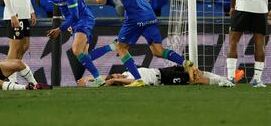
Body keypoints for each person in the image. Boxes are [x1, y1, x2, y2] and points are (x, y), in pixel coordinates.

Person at [88, 0, 193, 87]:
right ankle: (184, 62)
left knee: (121, 48)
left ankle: (138, 79)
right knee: (158, 51)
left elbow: (100, 0)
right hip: (149, 15)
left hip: (135, 17)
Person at [42, 0, 104, 87]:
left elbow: (75, 15)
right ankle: (110, 48)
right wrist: (69, 23)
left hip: (84, 19)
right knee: (84, 55)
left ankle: (98, 78)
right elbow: (64, 9)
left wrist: (61, 28)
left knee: (76, 49)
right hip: (75, 21)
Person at [77, 65, 239, 87]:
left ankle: (225, 79)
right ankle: (224, 82)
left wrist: (108, 77)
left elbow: (82, 80)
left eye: (114, 73)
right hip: (163, 79)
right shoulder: (127, 82)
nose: (116, 74)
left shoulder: (126, 72)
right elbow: (81, 83)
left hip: (162, 70)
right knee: (194, 79)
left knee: (196, 71)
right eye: (114, 75)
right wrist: (113, 80)